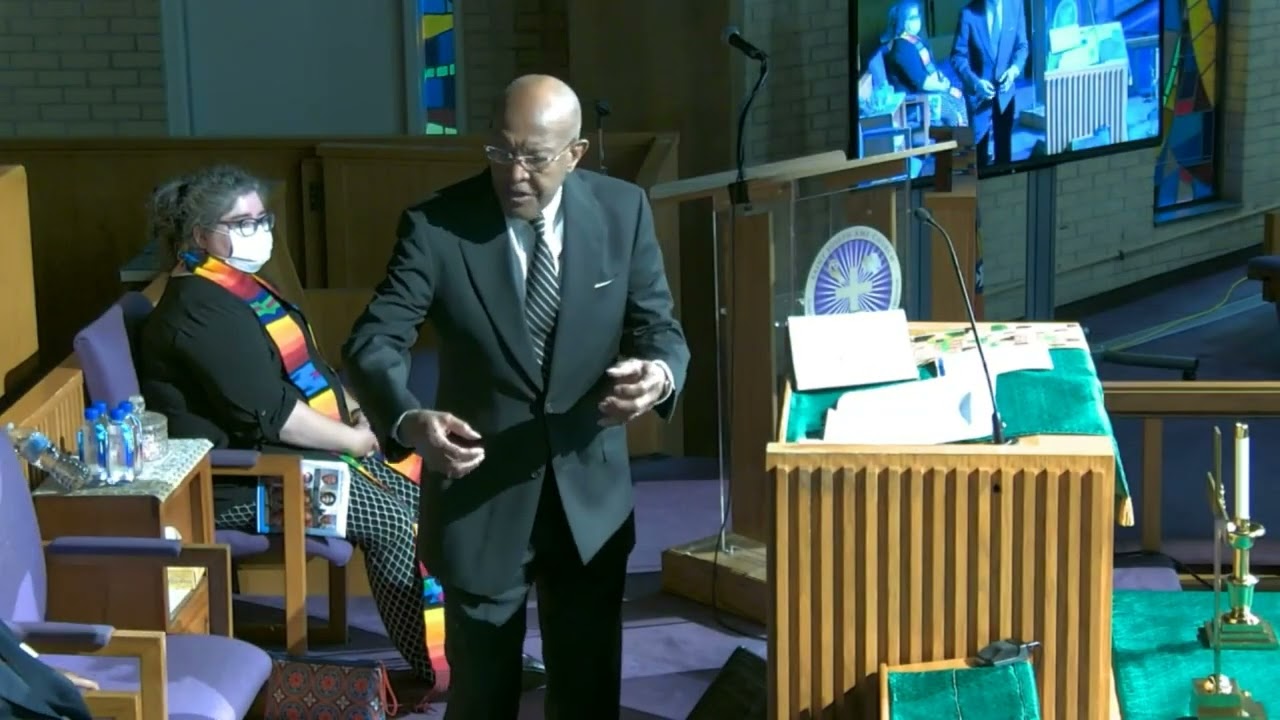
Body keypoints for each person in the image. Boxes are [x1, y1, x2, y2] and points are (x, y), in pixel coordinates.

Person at [343, 74, 690, 719]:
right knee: (482, 696)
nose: (514, 173)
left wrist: (659, 374)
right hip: (480, 493)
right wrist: (409, 419)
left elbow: (659, 328)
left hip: (589, 500)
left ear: (575, 154)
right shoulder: (436, 225)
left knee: (587, 695)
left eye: (534, 157)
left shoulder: (623, 211)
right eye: (501, 152)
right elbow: (372, 342)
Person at [135, 165, 546, 690]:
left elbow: (308, 372)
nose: (259, 231)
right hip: (239, 485)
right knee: (392, 522)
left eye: (262, 219)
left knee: (429, 497)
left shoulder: (239, 288)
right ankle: (443, 666)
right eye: (242, 223)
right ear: (199, 235)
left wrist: (356, 411)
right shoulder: (197, 310)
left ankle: (476, 646)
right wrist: (357, 440)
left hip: (288, 461)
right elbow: (274, 412)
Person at [950, 0, 1028, 166]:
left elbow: (1022, 46)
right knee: (979, 157)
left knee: (1004, 152)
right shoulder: (968, 14)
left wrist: (1014, 70)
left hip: (1005, 93)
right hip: (978, 97)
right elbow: (957, 56)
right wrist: (976, 83)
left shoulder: (1016, 5)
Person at [882, 1, 968, 127]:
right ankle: (959, 135)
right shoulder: (902, 47)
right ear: (902, 21)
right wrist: (945, 88)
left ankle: (965, 135)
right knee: (952, 113)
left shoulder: (915, 41)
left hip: (927, 94)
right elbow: (921, 82)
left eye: (918, 16)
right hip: (915, 103)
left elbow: (931, 67)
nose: (917, 20)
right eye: (912, 17)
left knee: (959, 97)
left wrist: (943, 80)